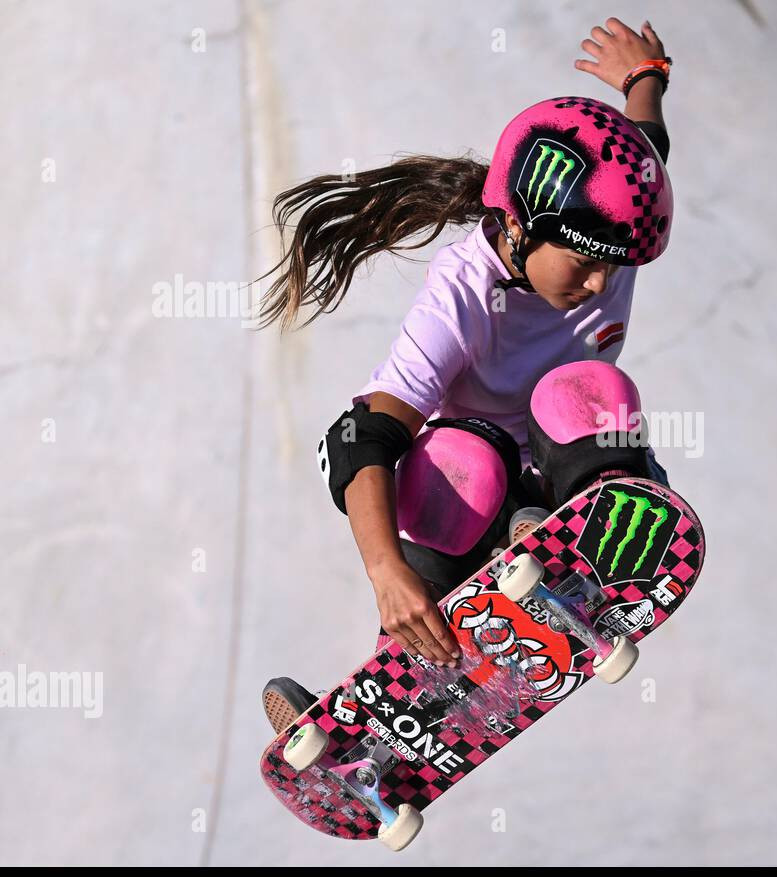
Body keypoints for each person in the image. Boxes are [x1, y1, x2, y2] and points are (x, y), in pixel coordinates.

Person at [259, 19, 677, 733]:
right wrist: (387, 575)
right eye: (584, 263)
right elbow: (365, 436)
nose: (605, 280)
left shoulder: (606, 234)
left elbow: (646, 151)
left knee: (581, 393)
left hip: (585, 478)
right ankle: (398, 690)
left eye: (617, 261)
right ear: (519, 226)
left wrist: (648, 77)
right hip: (472, 522)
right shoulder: (460, 292)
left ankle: (575, 540)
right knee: (458, 458)